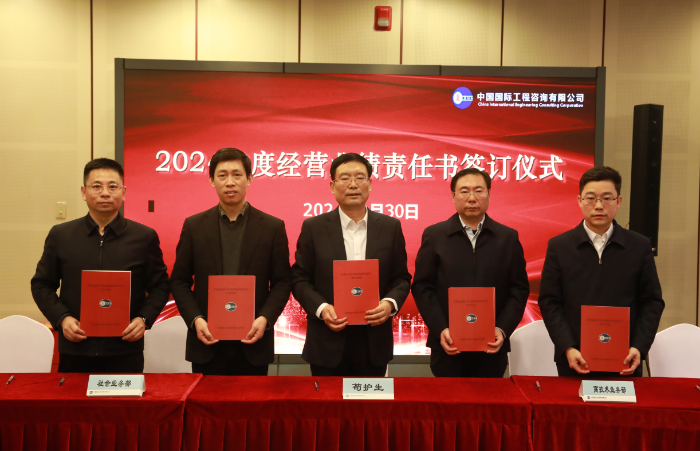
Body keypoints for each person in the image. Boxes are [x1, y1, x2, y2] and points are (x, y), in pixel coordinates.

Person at [31, 158, 169, 373]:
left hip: (125, 349)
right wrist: (62, 318)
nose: (105, 193)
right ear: (83, 192)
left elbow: (160, 286)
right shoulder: (61, 235)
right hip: (76, 348)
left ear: (124, 192)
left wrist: (143, 319)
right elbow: (41, 284)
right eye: (96, 186)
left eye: (112, 186)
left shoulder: (143, 237)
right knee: (74, 397)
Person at [170, 148, 292, 376]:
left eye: (237, 175)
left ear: (249, 178)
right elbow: (179, 280)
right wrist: (196, 319)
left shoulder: (272, 227)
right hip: (207, 340)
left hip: (253, 340)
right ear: (211, 180)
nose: (230, 182)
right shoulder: (194, 226)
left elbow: (283, 281)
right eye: (222, 175)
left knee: (251, 400)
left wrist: (265, 319)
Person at [292, 153, 412, 377]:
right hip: (327, 341)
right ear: (332, 186)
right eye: (345, 178)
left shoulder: (390, 227)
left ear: (370, 184)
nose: (353, 184)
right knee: (327, 401)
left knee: (369, 400)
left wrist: (389, 304)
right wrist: (322, 308)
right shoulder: (314, 228)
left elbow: (401, 278)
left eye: (360, 177)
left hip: (373, 341)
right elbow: (300, 279)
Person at [538, 166, 665, 377]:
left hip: (625, 358)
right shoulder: (559, 246)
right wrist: (568, 347)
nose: (598, 206)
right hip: (575, 359)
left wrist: (639, 347)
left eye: (607, 198)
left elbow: (652, 301)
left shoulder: (639, 246)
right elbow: (550, 301)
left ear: (618, 201)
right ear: (579, 201)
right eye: (590, 198)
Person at [411, 168, 529, 377]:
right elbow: (422, 287)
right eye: (464, 191)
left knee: (489, 398)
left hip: (491, 348)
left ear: (489, 194)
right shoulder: (435, 235)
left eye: (479, 191)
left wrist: (502, 329)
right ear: (453, 196)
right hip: (448, 345)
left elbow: (518, 289)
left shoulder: (507, 238)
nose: (472, 198)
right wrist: (441, 329)